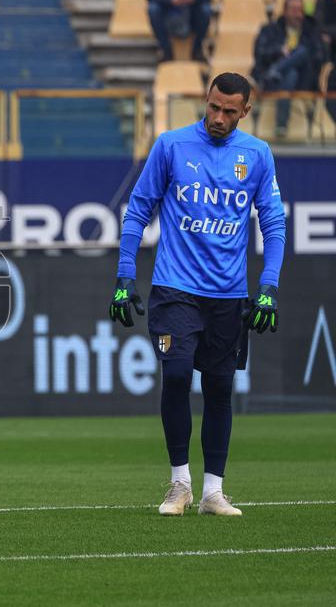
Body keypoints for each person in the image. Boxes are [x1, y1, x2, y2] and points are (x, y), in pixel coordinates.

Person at [109, 73, 285, 517]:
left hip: (228, 295)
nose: (219, 118)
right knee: (175, 375)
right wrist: (125, 275)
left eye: (229, 111)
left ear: (245, 111)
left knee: (220, 387)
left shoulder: (257, 155)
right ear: (205, 101)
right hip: (174, 289)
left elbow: (274, 224)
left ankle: (213, 493)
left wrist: (269, 286)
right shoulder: (171, 146)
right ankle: (179, 484)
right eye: (213, 107)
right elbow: (138, 211)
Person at [252, 0, 325, 138]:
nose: (297, 14)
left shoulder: (312, 30)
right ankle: (281, 125)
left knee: (303, 51)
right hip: (277, 82)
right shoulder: (270, 29)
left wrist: (299, 58)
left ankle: (275, 71)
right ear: (285, 11)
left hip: (305, 79)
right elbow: (259, 53)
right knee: (290, 73)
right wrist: (279, 51)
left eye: (300, 10)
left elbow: (320, 56)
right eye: (293, 10)